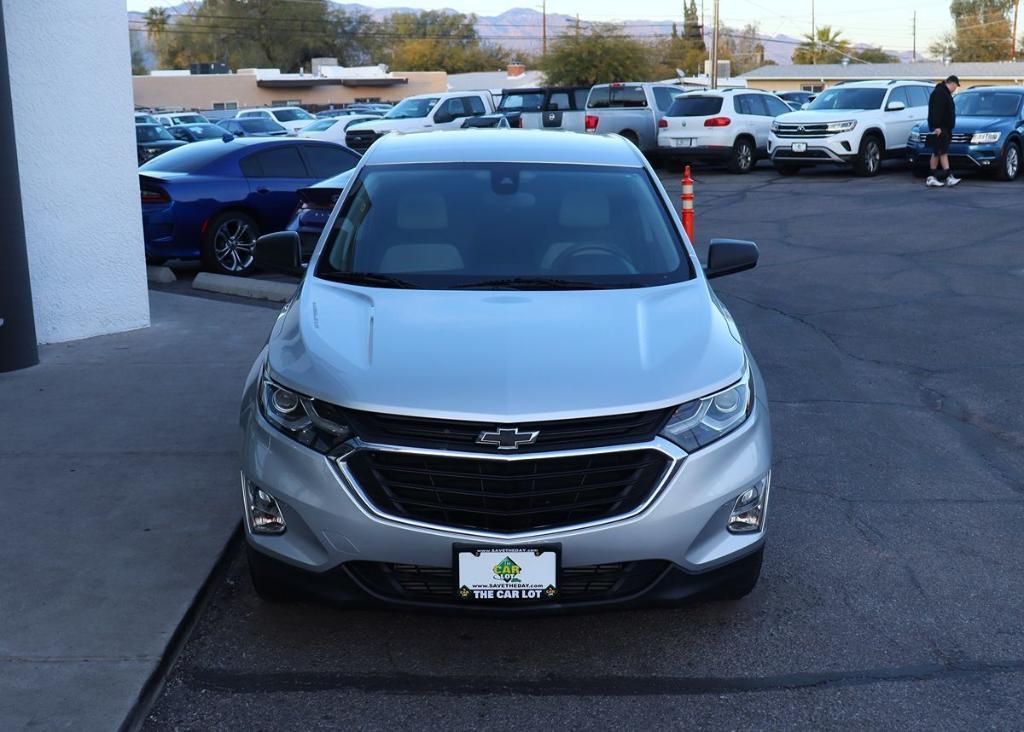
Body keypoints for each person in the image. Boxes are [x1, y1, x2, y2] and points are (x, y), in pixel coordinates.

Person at [926, 75, 961, 188]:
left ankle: (941, 177)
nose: (955, 89)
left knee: (940, 151)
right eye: (955, 86)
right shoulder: (940, 93)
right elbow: (936, 111)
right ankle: (943, 177)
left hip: (944, 128)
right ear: (952, 83)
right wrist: (936, 126)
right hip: (940, 128)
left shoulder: (943, 92)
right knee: (939, 151)